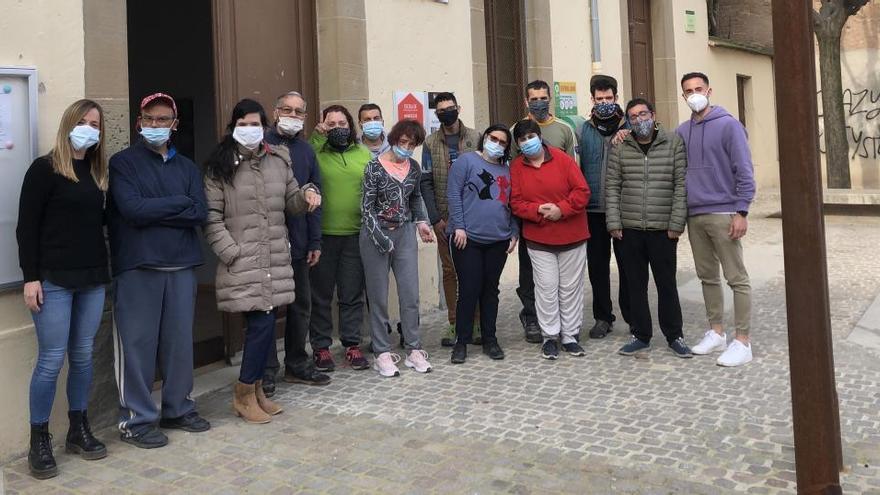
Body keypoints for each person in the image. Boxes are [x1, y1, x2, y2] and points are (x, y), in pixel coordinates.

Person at [204, 98, 321, 424]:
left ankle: (255, 390)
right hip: (243, 258)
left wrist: (307, 196)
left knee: (266, 323)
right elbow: (211, 217)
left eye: (255, 124)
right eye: (243, 124)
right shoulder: (219, 166)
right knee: (260, 324)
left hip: (273, 258)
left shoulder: (278, 159)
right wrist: (231, 252)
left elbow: (291, 202)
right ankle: (243, 393)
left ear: (264, 127)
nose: (250, 130)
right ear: (233, 127)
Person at [108, 93, 211, 448]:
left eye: (163, 119)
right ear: (139, 122)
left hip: (181, 265)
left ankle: (178, 408)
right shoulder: (123, 163)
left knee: (179, 343)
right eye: (150, 119)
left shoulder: (187, 168)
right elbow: (132, 210)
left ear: (175, 124)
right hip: (138, 265)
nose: (156, 125)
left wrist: (164, 209)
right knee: (137, 345)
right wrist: (178, 204)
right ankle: (137, 420)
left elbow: (199, 212)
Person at [16, 99, 110, 479]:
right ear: (69, 123)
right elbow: (26, 227)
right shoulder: (44, 169)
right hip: (53, 279)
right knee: (52, 359)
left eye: (96, 124)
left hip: (91, 277)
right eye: (84, 121)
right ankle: (39, 438)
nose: (90, 128)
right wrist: (30, 277)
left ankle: (78, 428)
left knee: (84, 355)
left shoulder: (97, 171)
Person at [677, 72, 756, 367]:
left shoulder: (729, 126)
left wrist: (742, 210)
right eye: (688, 90)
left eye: (699, 88)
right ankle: (716, 332)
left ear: (709, 90)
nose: (694, 94)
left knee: (736, 278)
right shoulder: (683, 132)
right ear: (683, 96)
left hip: (724, 213)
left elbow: (744, 170)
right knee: (707, 276)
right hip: (695, 214)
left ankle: (743, 340)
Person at [606, 98, 692, 358]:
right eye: (633, 116)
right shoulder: (621, 146)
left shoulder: (673, 142)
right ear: (628, 121)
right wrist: (614, 222)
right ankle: (640, 334)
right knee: (635, 284)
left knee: (667, 284)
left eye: (643, 114)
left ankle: (674, 335)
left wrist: (677, 222)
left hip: (663, 228)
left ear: (653, 115)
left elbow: (681, 185)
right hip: (629, 228)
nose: (639, 120)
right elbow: (612, 186)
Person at [262, 91, 331, 396]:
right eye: (286, 110)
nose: (291, 115)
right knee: (266, 307)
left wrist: (315, 239)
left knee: (301, 305)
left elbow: (315, 193)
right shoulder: (259, 144)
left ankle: (296, 363)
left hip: (300, 240)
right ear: (275, 112)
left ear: (304, 117)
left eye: (298, 112)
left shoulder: (306, 151)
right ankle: (264, 371)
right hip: (267, 241)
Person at [510, 119, 590, 360]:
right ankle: (550, 336)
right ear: (518, 144)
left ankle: (570, 335)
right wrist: (538, 211)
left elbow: (582, 191)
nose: (527, 142)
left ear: (540, 136)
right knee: (545, 288)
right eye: (522, 139)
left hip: (572, 235)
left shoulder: (562, 159)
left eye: (530, 136)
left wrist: (561, 209)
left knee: (569, 288)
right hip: (539, 238)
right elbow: (515, 202)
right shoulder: (516, 167)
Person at [360, 119, 435, 377]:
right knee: (379, 296)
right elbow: (366, 208)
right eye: (403, 142)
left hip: (404, 233)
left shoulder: (413, 168)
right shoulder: (374, 167)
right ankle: (382, 352)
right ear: (393, 139)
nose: (406, 147)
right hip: (375, 233)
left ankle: (413, 348)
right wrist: (380, 239)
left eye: (412, 144)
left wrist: (422, 222)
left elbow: (415, 198)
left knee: (410, 293)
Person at [512, 80, 578, 344]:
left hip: (561, 215)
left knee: (560, 275)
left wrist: (563, 209)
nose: (538, 102)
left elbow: (575, 169)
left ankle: (564, 323)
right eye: (533, 98)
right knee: (529, 270)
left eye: (543, 98)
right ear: (526, 101)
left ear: (550, 99)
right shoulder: (515, 130)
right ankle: (531, 317)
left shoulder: (564, 129)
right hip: (529, 214)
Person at [446, 125, 518, 364]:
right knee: (469, 289)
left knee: (490, 291)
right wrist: (458, 226)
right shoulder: (466, 162)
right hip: (468, 239)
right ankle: (461, 341)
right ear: (485, 138)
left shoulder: (507, 170)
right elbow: (453, 193)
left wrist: (514, 232)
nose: (496, 143)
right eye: (493, 138)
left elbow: (514, 203)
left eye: (502, 141)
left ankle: (490, 339)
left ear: (507, 147)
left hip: (498, 239)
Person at [309, 105, 373, 371]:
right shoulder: (315, 152)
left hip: (355, 235)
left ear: (351, 126)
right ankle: (321, 348)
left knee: (351, 294)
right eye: (331, 124)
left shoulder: (363, 153)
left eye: (342, 123)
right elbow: (300, 163)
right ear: (323, 127)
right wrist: (317, 137)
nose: (338, 128)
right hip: (323, 235)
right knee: (321, 295)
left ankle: (351, 344)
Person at [419, 92, 482, 347]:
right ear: (437, 114)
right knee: (449, 271)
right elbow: (425, 182)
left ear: (459, 108)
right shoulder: (429, 143)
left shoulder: (476, 138)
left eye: (450, 108)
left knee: (474, 271)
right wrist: (434, 219)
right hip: (445, 219)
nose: (447, 112)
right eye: (441, 110)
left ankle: (476, 321)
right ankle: (454, 322)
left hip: (474, 218)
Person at [578, 75, 632, 339]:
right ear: (592, 100)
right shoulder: (583, 129)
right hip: (592, 211)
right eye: (599, 99)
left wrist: (631, 131)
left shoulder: (631, 126)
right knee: (597, 267)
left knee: (628, 266)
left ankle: (634, 317)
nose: (604, 103)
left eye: (608, 98)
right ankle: (603, 317)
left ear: (616, 97)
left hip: (623, 210)